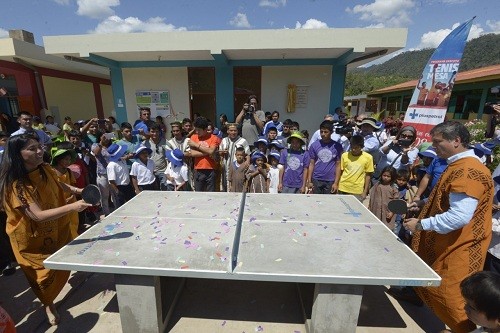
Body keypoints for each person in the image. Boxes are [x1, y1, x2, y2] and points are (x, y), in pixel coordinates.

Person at [404, 121, 493, 333]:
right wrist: (425, 203)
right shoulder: (457, 165)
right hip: (449, 243)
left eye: (437, 142)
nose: (434, 146)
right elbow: (452, 201)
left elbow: (459, 217)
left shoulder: (467, 171)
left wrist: (421, 224)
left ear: (456, 141)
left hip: (459, 247)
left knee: (454, 298)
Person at [0, 134, 90, 325]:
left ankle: (49, 301)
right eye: (32, 149)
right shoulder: (16, 185)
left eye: (39, 146)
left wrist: (77, 191)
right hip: (30, 240)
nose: (40, 151)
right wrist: (73, 207)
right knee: (41, 278)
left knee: (61, 265)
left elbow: (59, 184)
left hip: (54, 229)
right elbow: (37, 216)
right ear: (17, 154)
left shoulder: (46, 169)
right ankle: (48, 303)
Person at [50, 144, 79, 238]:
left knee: (73, 223)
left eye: (69, 159)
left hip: (71, 201)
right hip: (59, 204)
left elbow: (72, 185)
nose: (68, 161)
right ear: (58, 159)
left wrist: (73, 196)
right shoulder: (52, 173)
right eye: (65, 159)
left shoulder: (69, 171)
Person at [307, 120, 343, 194]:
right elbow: (311, 163)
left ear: (331, 132)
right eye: (321, 132)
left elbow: (338, 165)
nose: (323, 134)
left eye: (326, 132)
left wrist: (336, 183)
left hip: (330, 180)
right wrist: (309, 180)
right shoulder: (314, 145)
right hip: (316, 178)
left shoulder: (337, 146)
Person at [185, 117, 220, 192]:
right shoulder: (193, 137)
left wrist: (196, 145)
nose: (197, 132)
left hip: (211, 170)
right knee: (199, 194)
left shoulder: (213, 138)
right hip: (198, 170)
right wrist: (207, 152)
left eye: (199, 130)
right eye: (196, 129)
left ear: (205, 129)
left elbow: (211, 151)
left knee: (211, 194)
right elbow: (193, 153)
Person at [338, 135, 374, 201]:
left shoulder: (368, 158)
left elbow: (368, 175)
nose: (354, 150)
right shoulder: (344, 155)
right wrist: (337, 184)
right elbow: (340, 171)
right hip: (343, 188)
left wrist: (365, 191)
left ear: (361, 147)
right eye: (352, 147)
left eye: (356, 148)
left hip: (357, 190)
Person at [218, 123, 250, 192]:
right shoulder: (224, 140)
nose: (233, 132)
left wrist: (247, 162)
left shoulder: (243, 141)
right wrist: (222, 152)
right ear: (227, 131)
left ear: (237, 131)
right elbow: (220, 153)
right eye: (231, 130)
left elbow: (247, 154)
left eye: (235, 130)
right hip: (226, 168)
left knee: (238, 188)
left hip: (238, 169)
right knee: (226, 186)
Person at [368, 166, 398, 230]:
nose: (385, 178)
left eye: (388, 176)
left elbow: (396, 201)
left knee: (386, 228)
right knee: (375, 226)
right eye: (384, 175)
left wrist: (392, 212)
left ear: (392, 177)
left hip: (387, 212)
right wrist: (369, 207)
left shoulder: (393, 187)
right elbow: (372, 196)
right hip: (376, 210)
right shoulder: (377, 185)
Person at [107, 143, 134, 207]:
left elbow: (126, 157)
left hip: (128, 186)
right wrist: (117, 192)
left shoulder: (122, 160)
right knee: (121, 207)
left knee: (132, 204)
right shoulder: (111, 165)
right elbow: (111, 181)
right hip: (119, 188)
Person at [142, 123, 168, 190]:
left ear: (159, 132)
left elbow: (169, 155)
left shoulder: (165, 141)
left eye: (157, 131)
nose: (155, 134)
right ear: (149, 132)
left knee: (164, 189)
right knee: (155, 191)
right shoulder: (145, 143)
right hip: (151, 171)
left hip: (163, 171)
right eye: (152, 132)